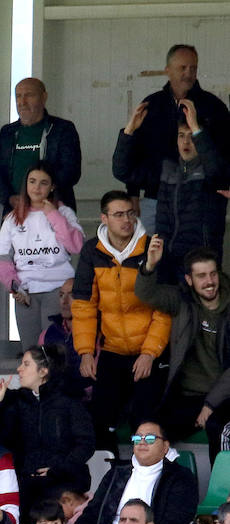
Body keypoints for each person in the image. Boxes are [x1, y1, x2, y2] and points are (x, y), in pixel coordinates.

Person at [72, 190, 168, 449]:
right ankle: (108, 477)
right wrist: (86, 352)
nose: (126, 220)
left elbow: (164, 308)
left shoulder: (152, 247)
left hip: (149, 350)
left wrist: (149, 353)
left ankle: (148, 475)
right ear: (104, 218)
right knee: (101, 417)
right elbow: (83, 306)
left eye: (130, 213)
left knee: (145, 419)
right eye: (118, 214)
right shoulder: (92, 251)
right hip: (113, 349)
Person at [116, 99, 229, 284]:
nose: (186, 141)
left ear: (202, 139)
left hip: (201, 265)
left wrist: (195, 126)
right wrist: (129, 131)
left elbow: (217, 174)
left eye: (192, 136)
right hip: (167, 261)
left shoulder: (213, 172)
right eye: (181, 135)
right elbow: (123, 171)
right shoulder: (167, 169)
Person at [113, 44, 230, 220]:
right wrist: (133, 193)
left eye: (193, 68)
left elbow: (225, 154)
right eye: (183, 67)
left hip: (201, 199)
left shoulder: (213, 107)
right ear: (168, 70)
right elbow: (135, 154)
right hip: (156, 198)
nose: (189, 73)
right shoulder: (152, 105)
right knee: (154, 247)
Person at [138, 243, 230, 445]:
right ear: (189, 280)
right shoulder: (181, 301)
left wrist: (210, 404)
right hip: (188, 396)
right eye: (201, 276)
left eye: (213, 274)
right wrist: (150, 265)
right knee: (152, 430)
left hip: (223, 397)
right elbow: (145, 294)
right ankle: (170, 477)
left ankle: (218, 478)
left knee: (217, 427)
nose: (209, 282)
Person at [68, 419, 197, 524]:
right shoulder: (116, 474)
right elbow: (92, 514)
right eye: (137, 438)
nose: (142, 442)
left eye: (150, 438)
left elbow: (174, 523)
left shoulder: (179, 477)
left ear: (165, 447)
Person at [0, 344, 95, 507]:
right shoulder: (17, 401)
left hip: (64, 483)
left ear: (43, 371)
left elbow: (86, 444)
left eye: (26, 364)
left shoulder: (69, 401)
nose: (19, 369)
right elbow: (1, 440)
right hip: (27, 484)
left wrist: (58, 469)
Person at [0, 162, 86, 347]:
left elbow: (77, 246)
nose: (36, 187)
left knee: (55, 350)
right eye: (32, 181)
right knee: (30, 350)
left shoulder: (64, 212)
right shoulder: (13, 218)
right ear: (25, 185)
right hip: (26, 291)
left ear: (52, 186)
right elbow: (2, 259)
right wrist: (15, 287)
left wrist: (53, 215)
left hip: (58, 288)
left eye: (43, 183)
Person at [0, 78, 82, 212]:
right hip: (16, 211)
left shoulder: (62, 129)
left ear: (44, 97)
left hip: (55, 210)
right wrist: (9, 198)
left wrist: (39, 199)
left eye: (29, 95)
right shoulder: (8, 132)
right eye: (18, 96)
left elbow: (71, 172)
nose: (22, 102)